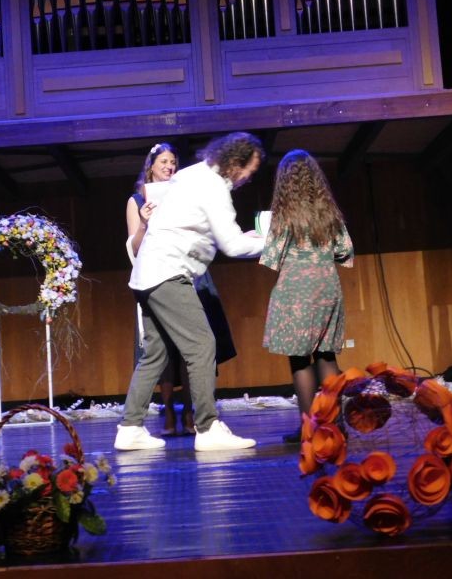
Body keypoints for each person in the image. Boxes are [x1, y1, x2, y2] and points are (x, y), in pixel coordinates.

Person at [114, 132, 265, 451]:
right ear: (235, 162)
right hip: (168, 273)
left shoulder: (192, 175)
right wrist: (273, 242)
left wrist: (247, 238)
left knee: (155, 354)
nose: (248, 178)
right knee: (202, 345)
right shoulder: (213, 185)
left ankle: (130, 428)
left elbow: (208, 229)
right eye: (249, 170)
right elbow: (232, 246)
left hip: (147, 275)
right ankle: (208, 428)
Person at [125, 143, 237, 437]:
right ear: (151, 166)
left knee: (181, 350)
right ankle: (201, 424)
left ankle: (143, 424)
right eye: (163, 161)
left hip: (187, 273)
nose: (169, 166)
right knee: (182, 348)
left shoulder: (182, 192)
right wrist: (144, 224)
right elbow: (134, 248)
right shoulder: (138, 200)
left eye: (173, 161)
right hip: (159, 275)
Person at [259, 149, 354, 443]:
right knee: (326, 355)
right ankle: (336, 425)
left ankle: (309, 429)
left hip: (296, 289)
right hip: (327, 286)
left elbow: (271, 257)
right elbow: (345, 251)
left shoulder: (285, 215)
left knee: (300, 359)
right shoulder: (329, 212)